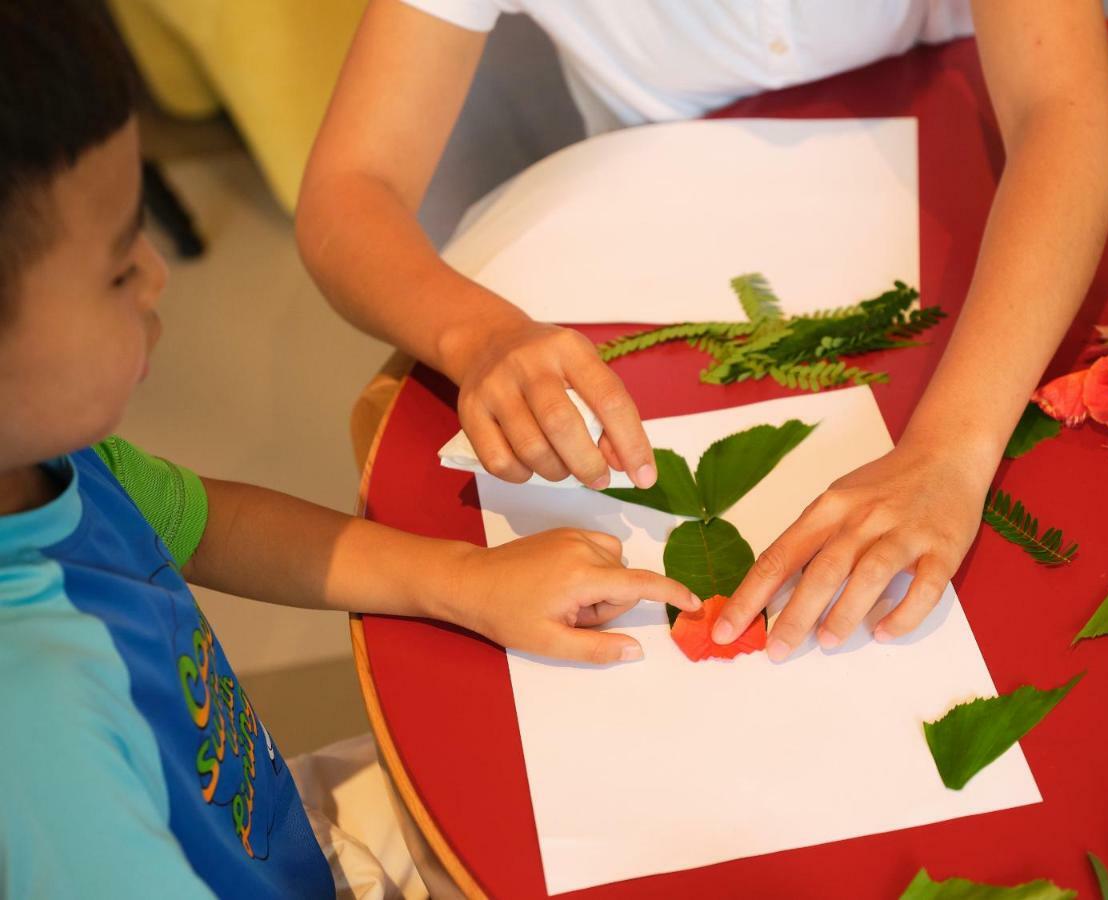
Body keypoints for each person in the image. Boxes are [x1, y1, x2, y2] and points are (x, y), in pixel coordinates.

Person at [0, 4, 698, 897]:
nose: (157, 272)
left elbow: (206, 524)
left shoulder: (56, 464)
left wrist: (464, 580)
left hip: (285, 838)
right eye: (115, 267)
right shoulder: (41, 743)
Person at [296, 0, 1108, 660]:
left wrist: (951, 448)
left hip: (975, 225)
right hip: (669, 279)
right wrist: (475, 335)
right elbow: (348, 188)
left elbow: (1065, 112)